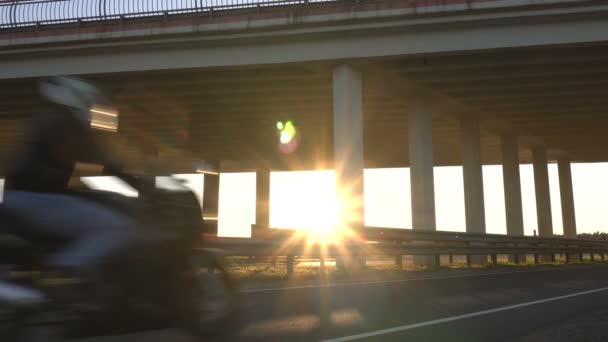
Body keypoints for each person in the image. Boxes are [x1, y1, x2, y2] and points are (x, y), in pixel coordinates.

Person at [1, 76, 137, 278]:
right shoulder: (67, 125)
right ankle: (60, 275)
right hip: (39, 198)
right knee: (118, 227)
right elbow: (101, 166)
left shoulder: (46, 121)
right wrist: (137, 185)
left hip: (22, 196)